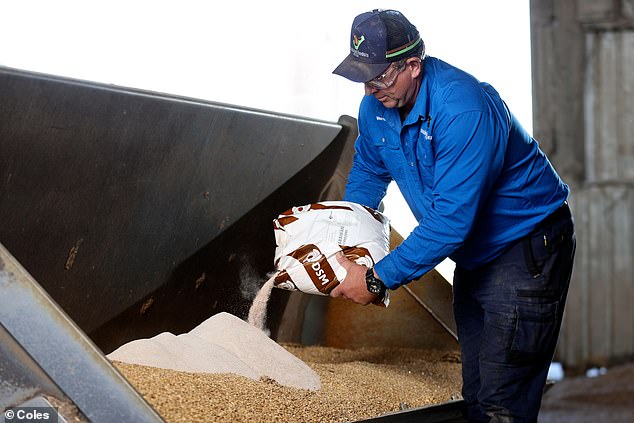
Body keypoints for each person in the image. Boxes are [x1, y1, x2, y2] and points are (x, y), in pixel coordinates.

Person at [329, 9, 576, 423]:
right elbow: (369, 174)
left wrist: (376, 278)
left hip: (526, 246)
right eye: (363, 77)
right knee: (476, 393)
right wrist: (350, 244)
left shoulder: (463, 109)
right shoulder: (376, 109)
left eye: (380, 77)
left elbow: (449, 223)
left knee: (502, 401)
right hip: (474, 251)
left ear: (412, 64)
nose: (371, 90)